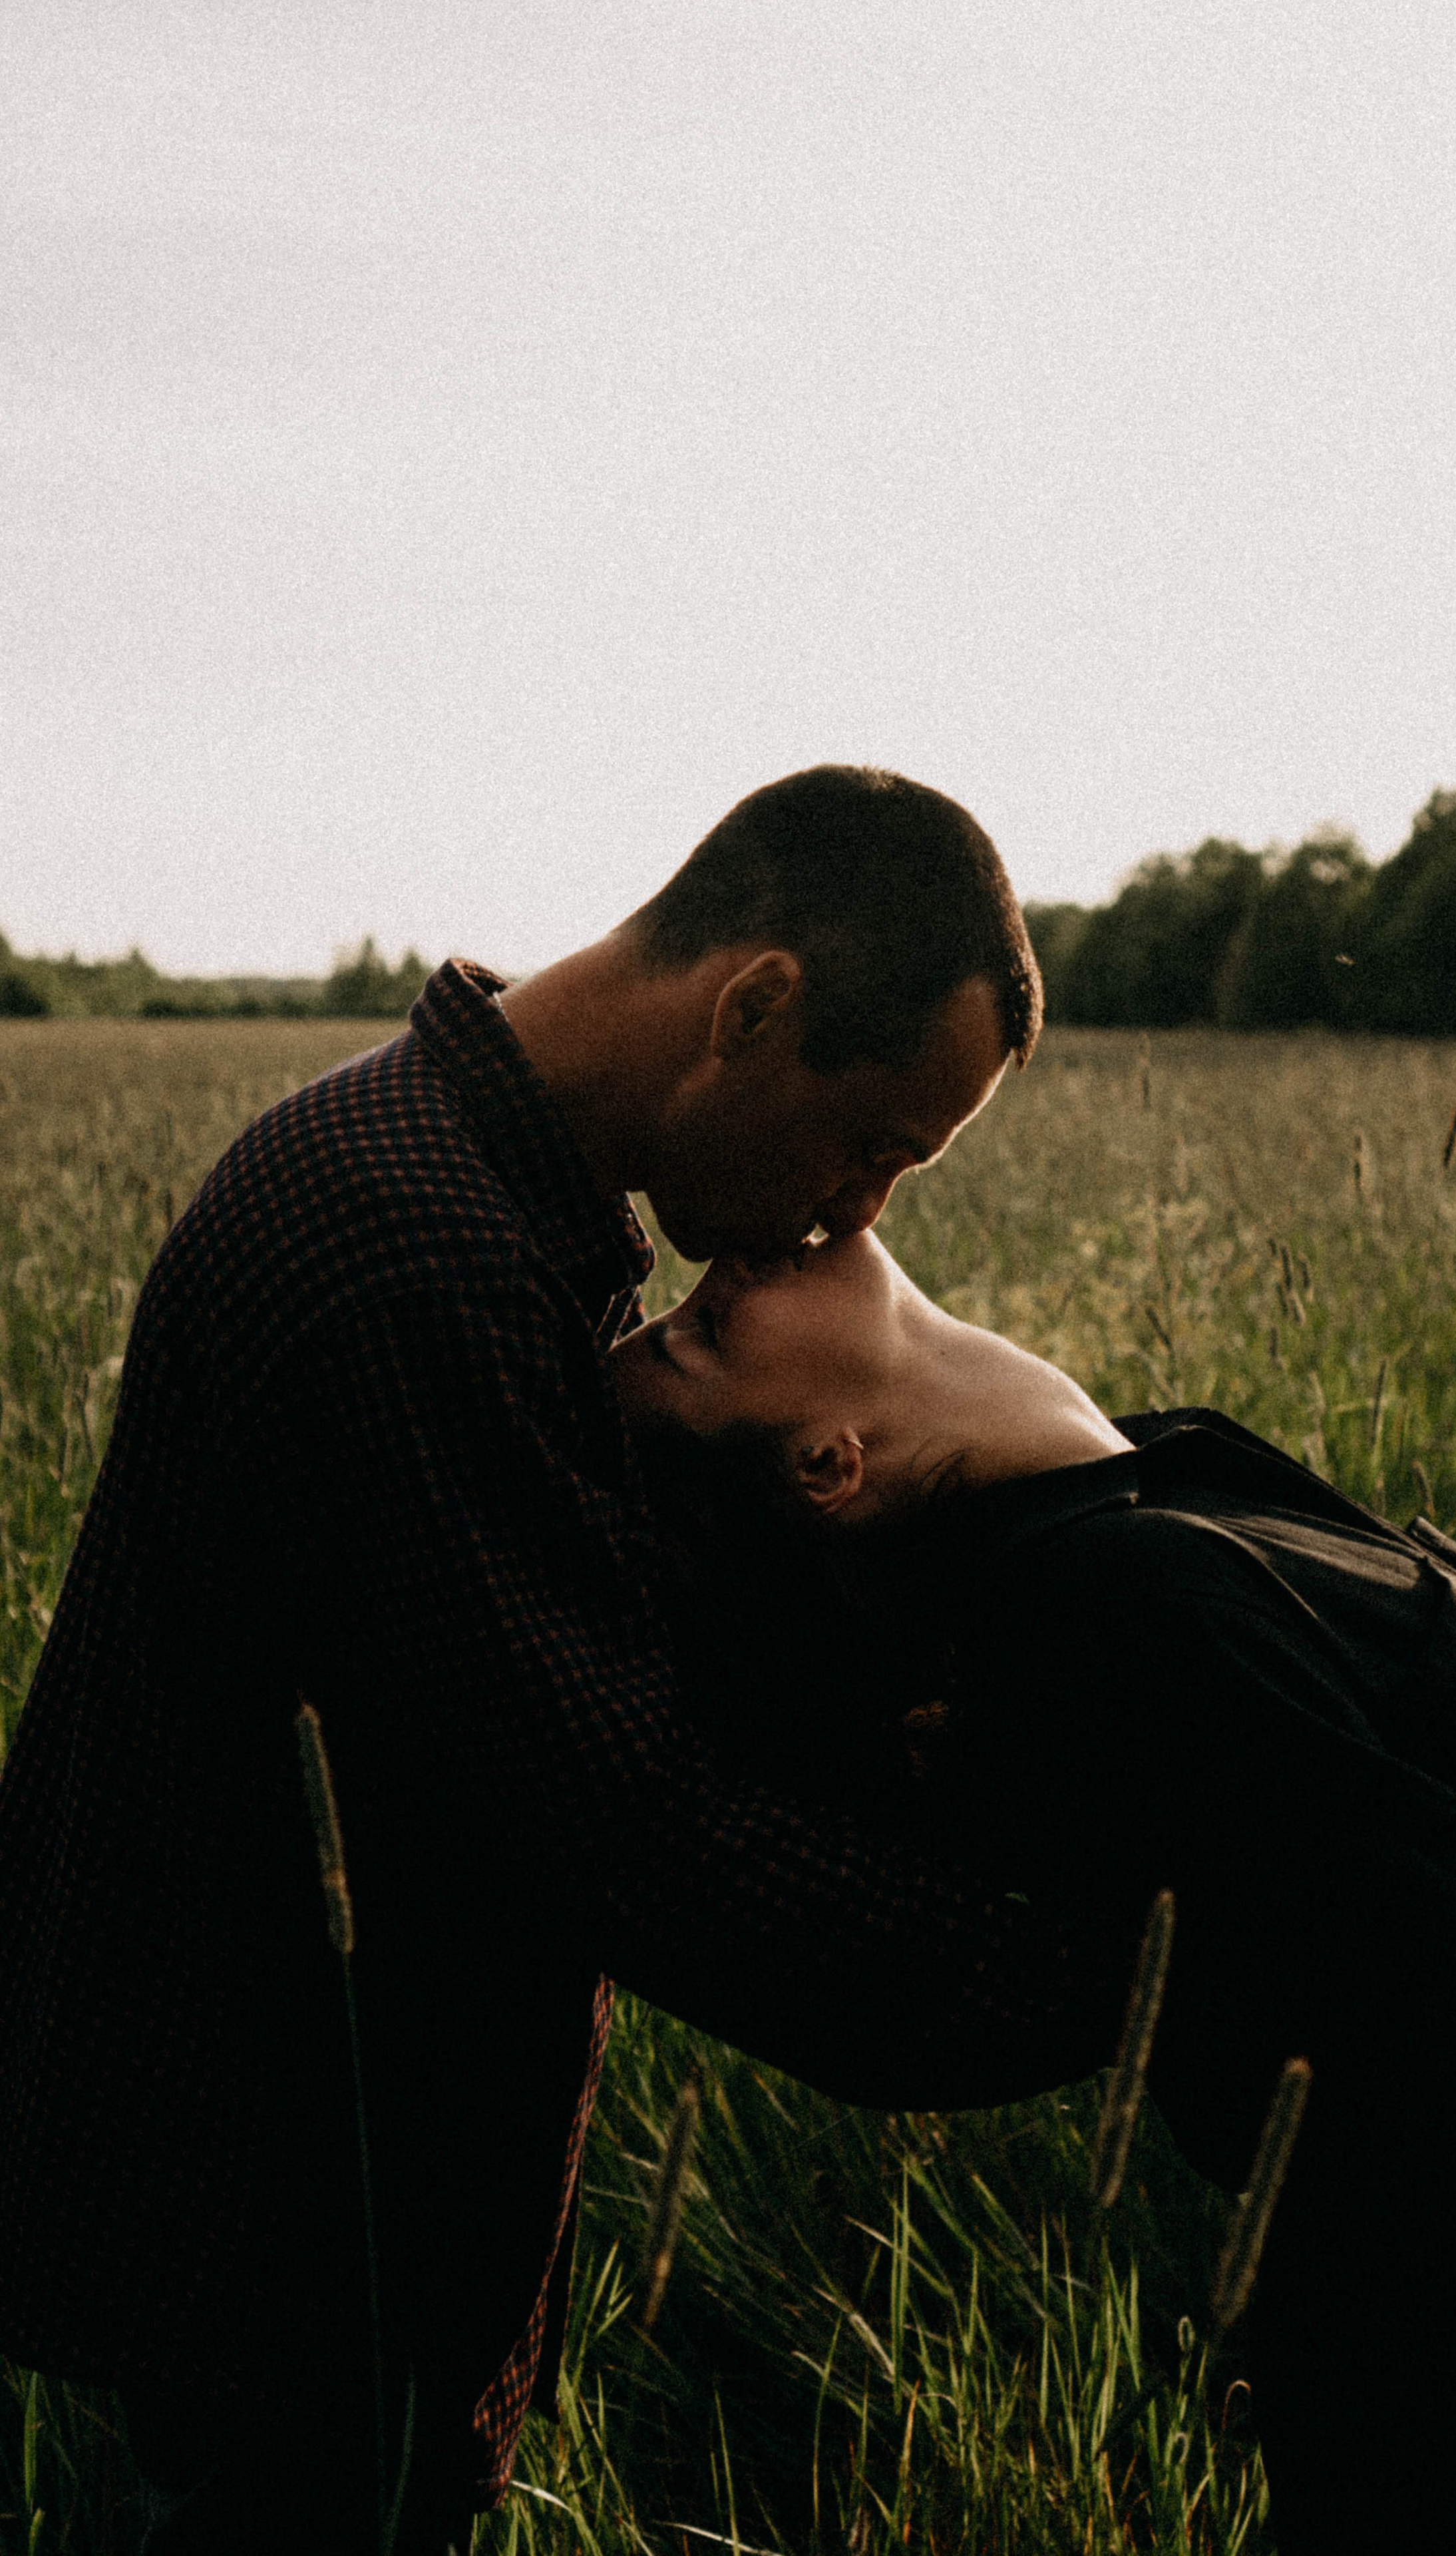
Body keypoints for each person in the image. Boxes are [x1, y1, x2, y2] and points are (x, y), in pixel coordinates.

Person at [0, 768, 1133, 2556]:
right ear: (754, 1006)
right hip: (285, 2239)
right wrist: (1097, 1973)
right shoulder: (413, 1261)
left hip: (321, 2224)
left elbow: (582, 1676)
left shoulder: (485, 1216)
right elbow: (624, 1820)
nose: (853, 1221)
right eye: (875, 1146)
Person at [612, 1228, 1456, 2556]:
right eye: (704, 1337)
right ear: (827, 1462)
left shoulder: (1141, 1503)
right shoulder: (1107, 1611)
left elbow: (1376, 1866)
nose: (723, 1264)